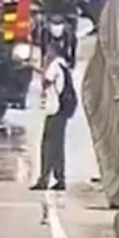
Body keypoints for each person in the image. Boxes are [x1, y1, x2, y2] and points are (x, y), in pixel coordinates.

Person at [30, 39, 76, 190]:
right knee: (58, 146)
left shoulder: (55, 65)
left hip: (54, 110)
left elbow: (47, 81)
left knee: (48, 145)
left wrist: (41, 69)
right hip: (61, 110)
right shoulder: (63, 65)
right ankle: (59, 178)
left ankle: (44, 179)